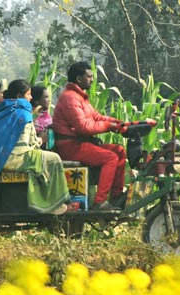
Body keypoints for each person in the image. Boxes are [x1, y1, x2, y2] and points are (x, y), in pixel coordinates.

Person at [0, 79, 70, 215]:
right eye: (28, 94)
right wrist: (41, 139)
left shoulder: (0, 109)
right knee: (54, 158)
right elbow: (28, 144)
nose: (31, 97)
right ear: (19, 96)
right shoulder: (23, 113)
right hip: (15, 158)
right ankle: (55, 204)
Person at [52, 61, 126, 211]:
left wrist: (118, 123)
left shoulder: (80, 97)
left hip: (80, 144)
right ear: (79, 79)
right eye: (89, 77)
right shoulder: (70, 98)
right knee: (110, 158)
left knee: (119, 150)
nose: (92, 80)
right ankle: (99, 201)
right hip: (70, 146)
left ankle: (116, 197)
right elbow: (83, 127)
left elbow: (96, 117)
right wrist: (108, 127)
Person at [31, 85, 53, 149]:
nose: (49, 100)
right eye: (46, 97)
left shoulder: (47, 116)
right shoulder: (32, 117)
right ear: (36, 100)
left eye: (48, 97)